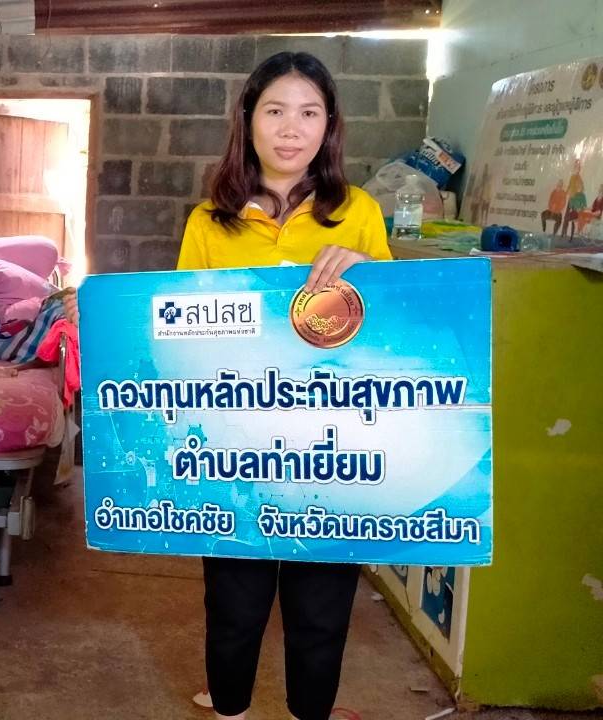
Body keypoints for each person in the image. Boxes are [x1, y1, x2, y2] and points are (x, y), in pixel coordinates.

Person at [177, 52, 392, 720]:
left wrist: (366, 271)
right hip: (236, 448)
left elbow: (393, 333)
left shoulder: (358, 213)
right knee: (234, 606)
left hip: (332, 450)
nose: (291, 128)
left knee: (320, 611)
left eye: (309, 112)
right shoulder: (209, 221)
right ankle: (231, 709)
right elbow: (179, 335)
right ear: (248, 119)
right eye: (274, 110)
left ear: (329, 125)